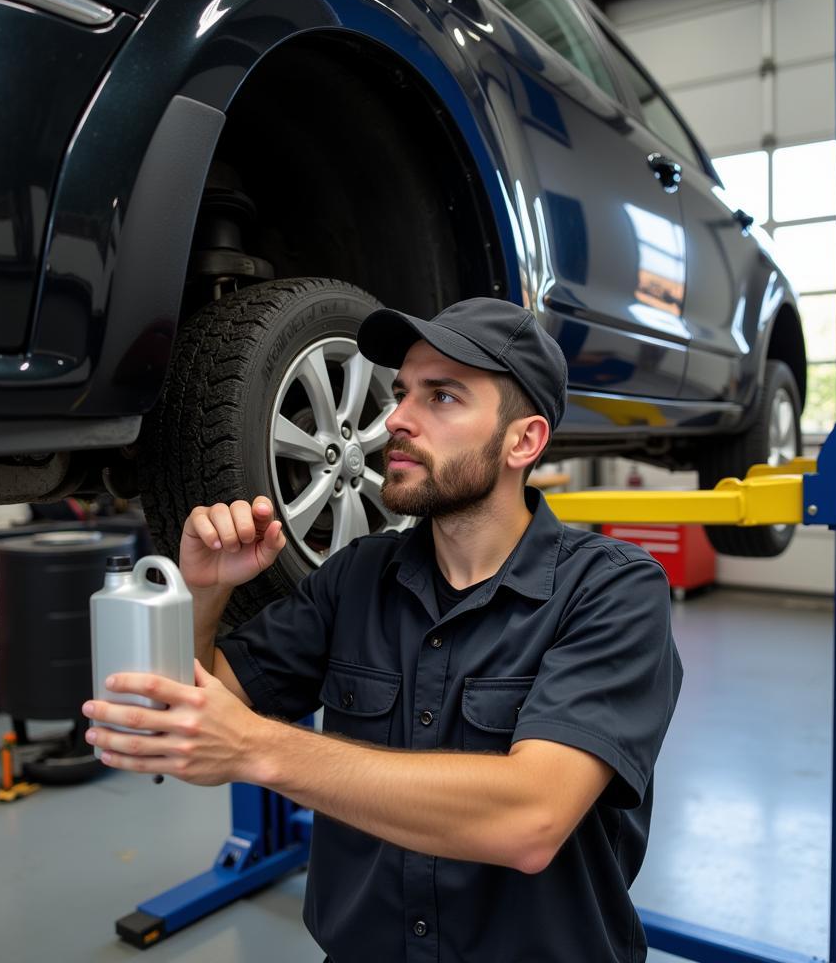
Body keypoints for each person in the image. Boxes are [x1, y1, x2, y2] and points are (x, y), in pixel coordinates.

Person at [84, 297, 684, 963]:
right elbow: (189, 718)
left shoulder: (611, 591)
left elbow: (530, 820)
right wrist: (206, 593)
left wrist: (257, 748)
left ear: (524, 441)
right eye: (401, 394)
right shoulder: (355, 578)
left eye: (444, 397)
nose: (395, 419)